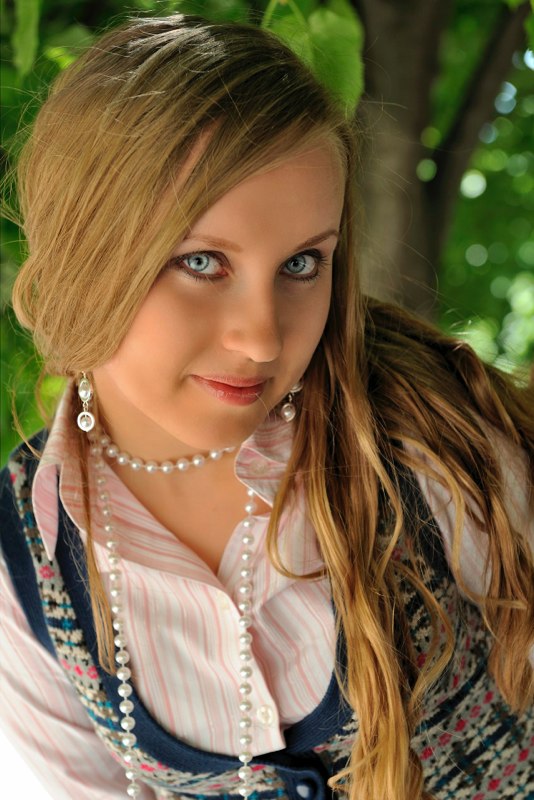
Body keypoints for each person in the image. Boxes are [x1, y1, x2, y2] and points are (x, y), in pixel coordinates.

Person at [0, 12, 532, 800]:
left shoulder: (426, 439)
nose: (260, 338)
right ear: (85, 255)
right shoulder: (23, 567)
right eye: (202, 262)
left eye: (302, 263)